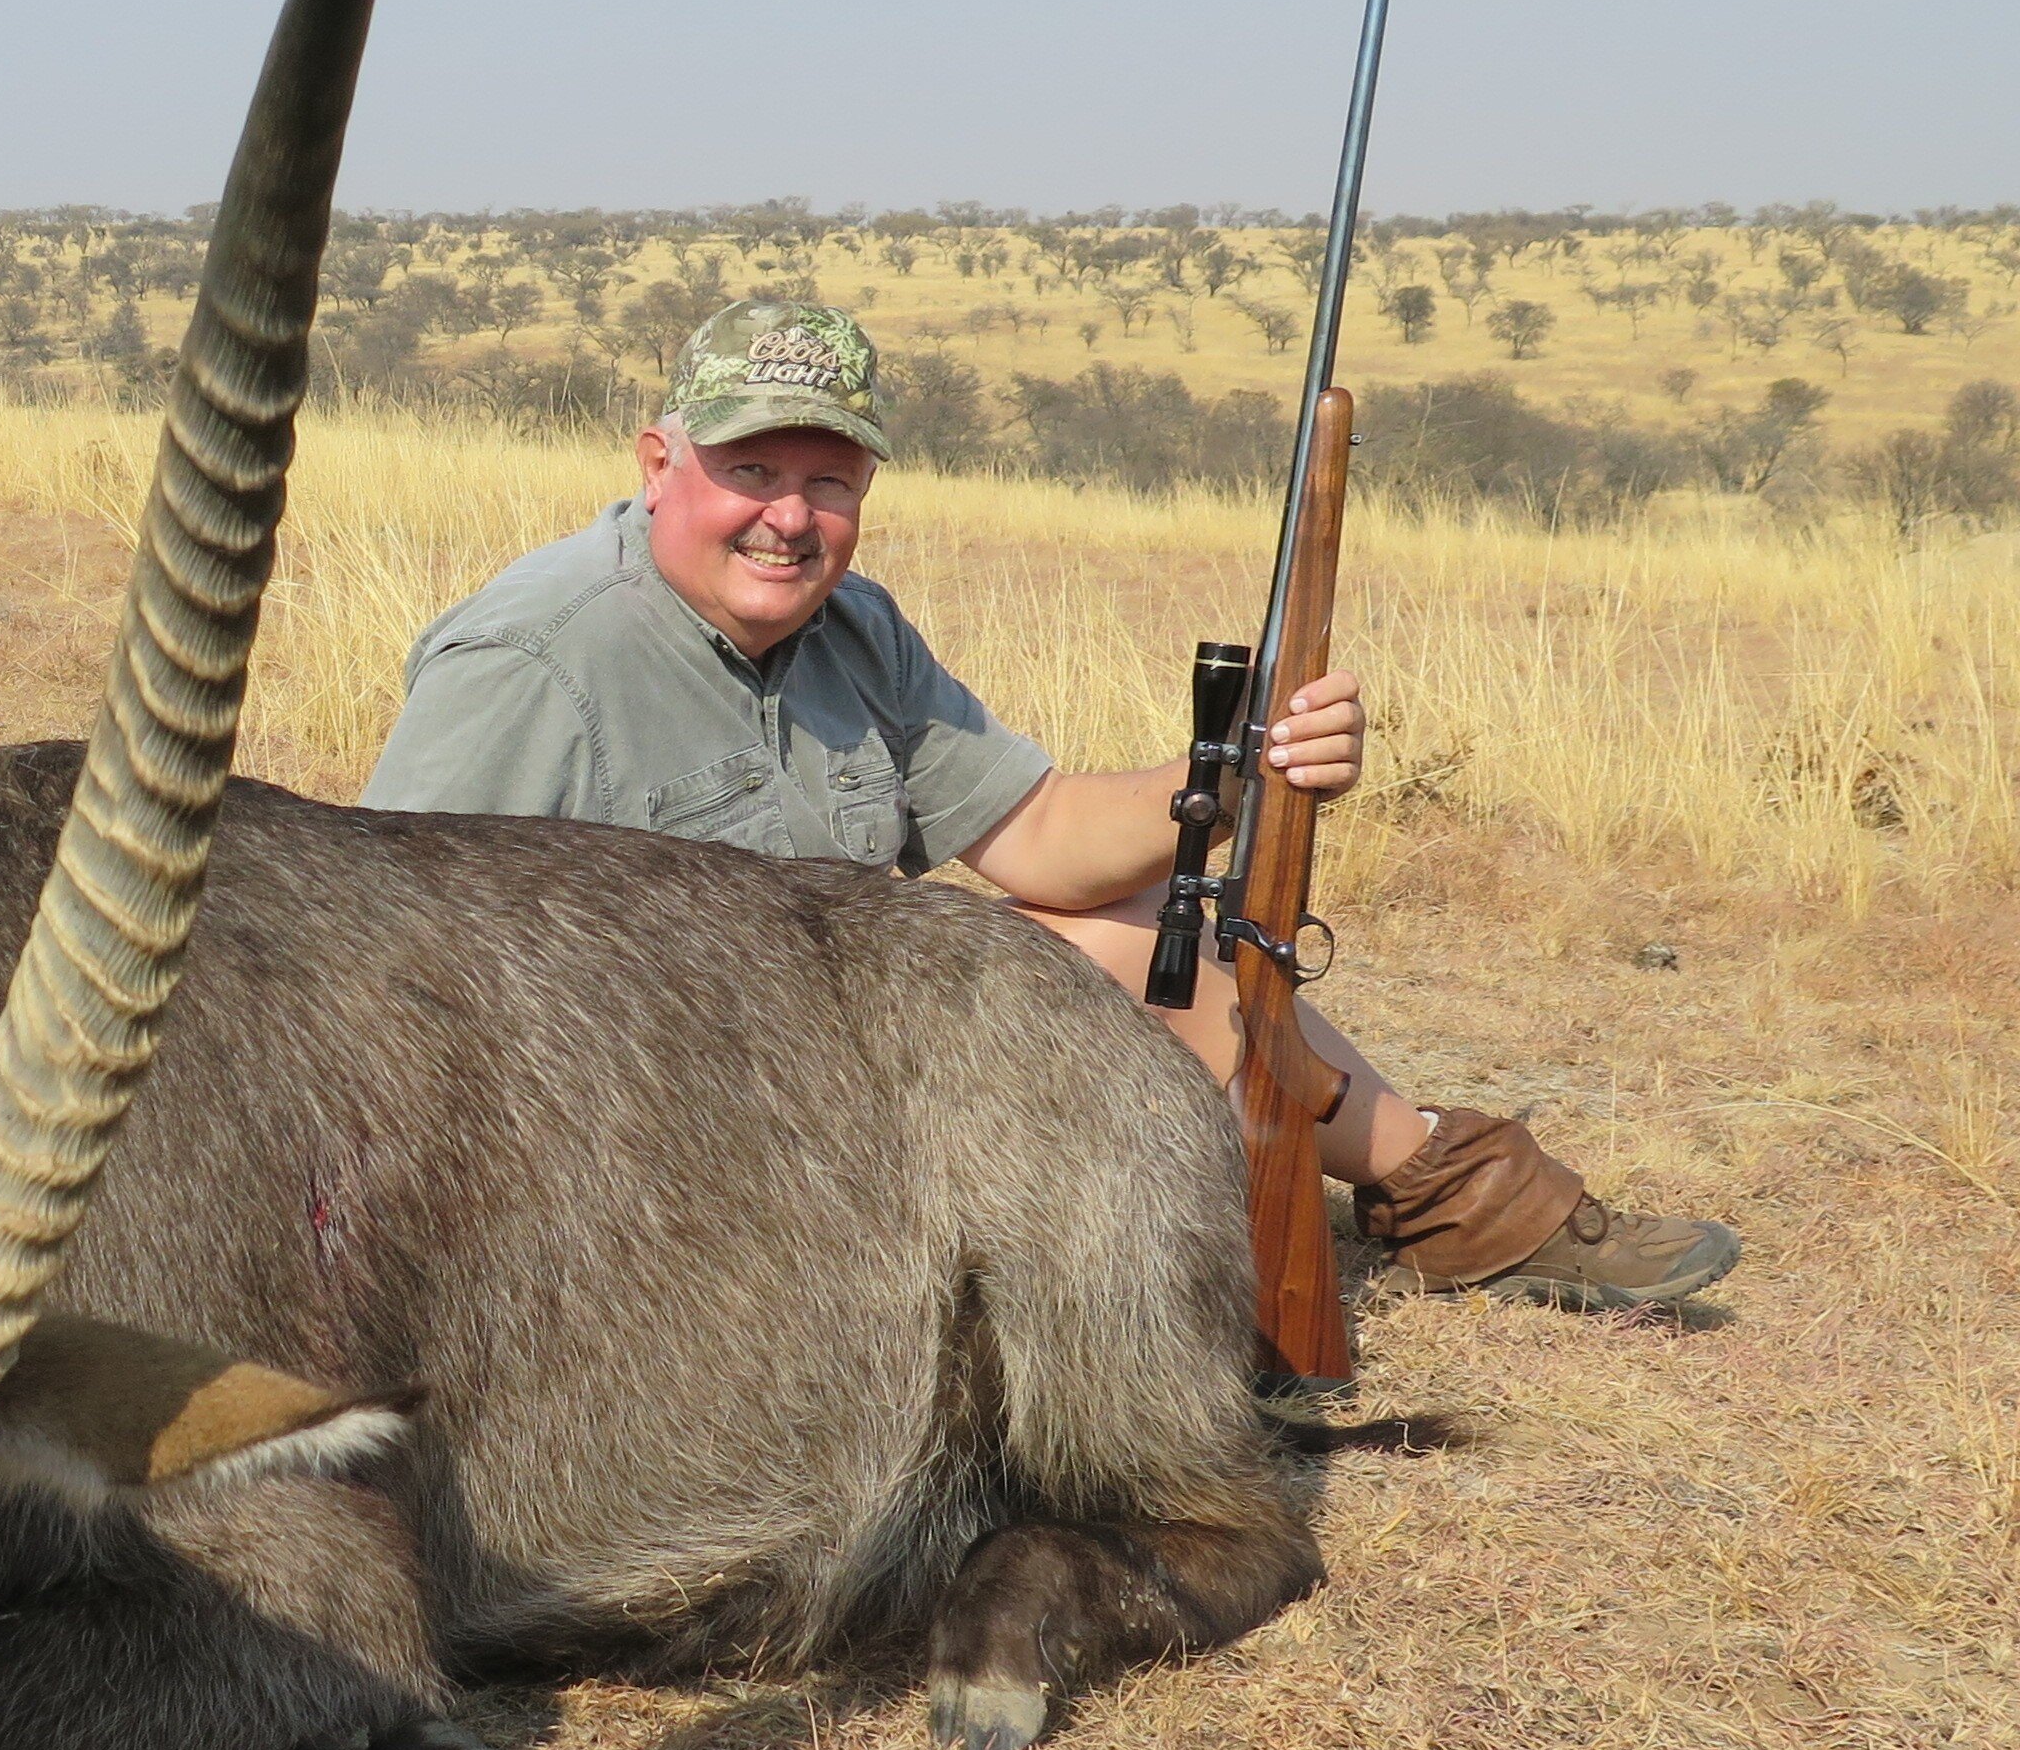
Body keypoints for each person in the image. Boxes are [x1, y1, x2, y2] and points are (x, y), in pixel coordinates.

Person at [359, 300, 1740, 1310]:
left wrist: (1243, 772)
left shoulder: (858, 629)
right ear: (660, 465)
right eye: (752, 472)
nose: (792, 517)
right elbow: (390, 980)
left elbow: (1042, 841)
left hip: (836, 1075)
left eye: (828, 479)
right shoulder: (530, 659)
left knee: (1142, 935)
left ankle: (1450, 1194)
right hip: (647, 1131)